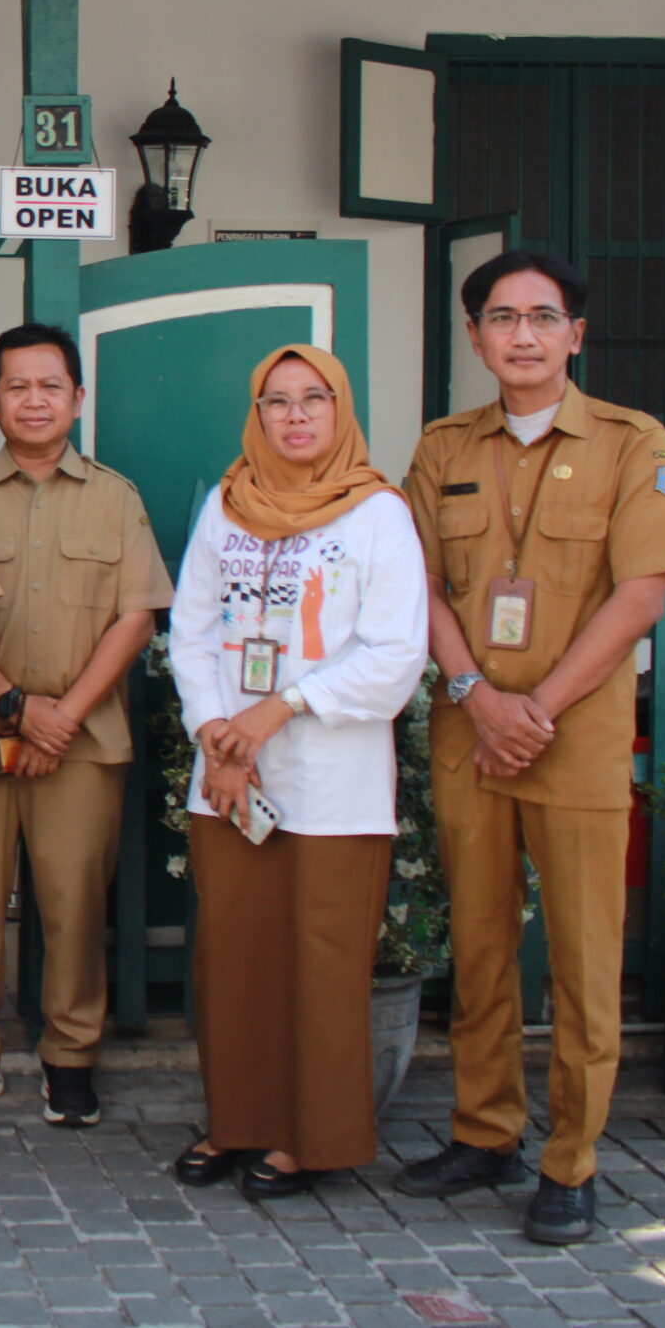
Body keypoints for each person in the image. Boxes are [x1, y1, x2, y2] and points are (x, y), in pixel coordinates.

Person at [397, 250, 665, 1245]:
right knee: (478, 942)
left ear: (575, 333)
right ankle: (485, 1132)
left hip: (572, 734)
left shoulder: (628, 442)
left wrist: (538, 710)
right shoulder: (442, 448)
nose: (521, 334)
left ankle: (571, 1159)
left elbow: (639, 592)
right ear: (475, 335)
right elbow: (420, 587)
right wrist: (479, 697)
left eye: (542, 316)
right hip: (470, 727)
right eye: (500, 316)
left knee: (580, 951)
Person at [169, 343, 427, 1200]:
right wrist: (216, 731)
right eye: (276, 400)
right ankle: (236, 1122)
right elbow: (193, 630)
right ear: (256, 413)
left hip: (332, 783)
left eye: (314, 397)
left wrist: (278, 708)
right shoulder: (228, 506)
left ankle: (310, 1138)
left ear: (340, 406)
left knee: (319, 961)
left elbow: (394, 656)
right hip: (231, 778)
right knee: (232, 956)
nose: (295, 415)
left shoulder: (377, 513)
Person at [0, 325, 171, 1130]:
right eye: (17, 387)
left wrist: (60, 716)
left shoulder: (116, 496)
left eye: (50, 386)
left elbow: (136, 616)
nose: (34, 401)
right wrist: (15, 706)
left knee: (71, 902)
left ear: (77, 397)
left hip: (80, 740)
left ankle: (72, 1057)